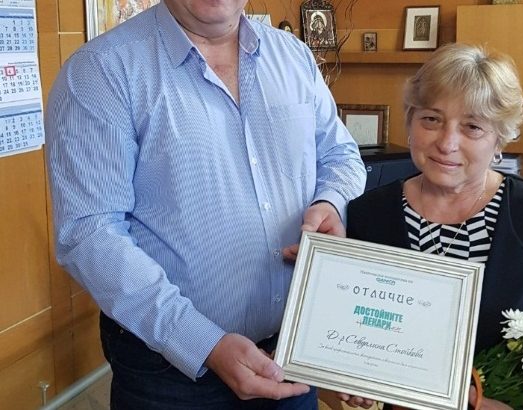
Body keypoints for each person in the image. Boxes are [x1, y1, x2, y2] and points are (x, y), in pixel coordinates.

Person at [44, 0, 366, 408]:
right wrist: (203, 342)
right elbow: (90, 235)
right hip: (170, 376)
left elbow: (340, 156)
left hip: (289, 355)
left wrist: (330, 202)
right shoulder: (101, 71)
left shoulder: (293, 55)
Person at [345, 43, 523, 409]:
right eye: (431, 119)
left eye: (472, 127)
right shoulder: (367, 214)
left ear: (500, 138)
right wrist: (351, 376)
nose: (447, 143)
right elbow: (353, 328)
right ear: (410, 121)